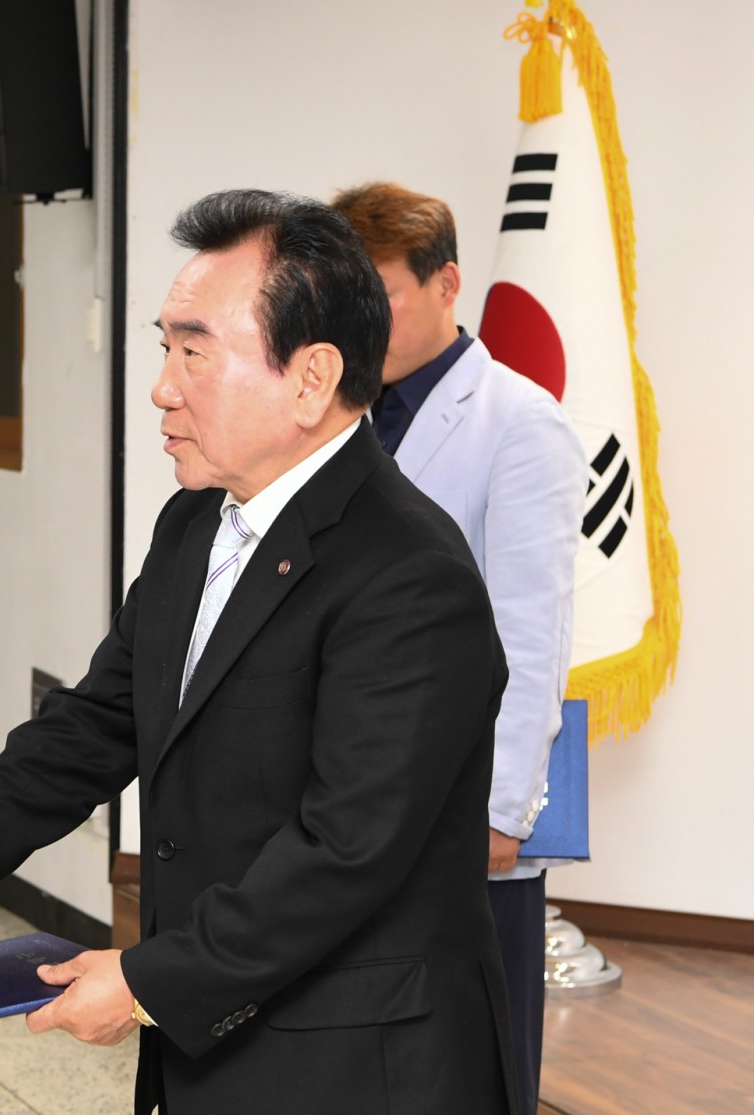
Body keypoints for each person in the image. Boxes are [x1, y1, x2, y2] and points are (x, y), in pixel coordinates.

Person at [0, 189, 518, 1114]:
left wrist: (148, 980)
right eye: (164, 348)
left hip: (358, 1068)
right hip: (218, 1049)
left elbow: (345, 850)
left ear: (312, 378)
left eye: (195, 352)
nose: (163, 387)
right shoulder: (196, 520)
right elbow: (105, 716)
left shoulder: (411, 576)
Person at [332, 181, 585, 1115]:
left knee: (478, 1064)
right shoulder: (340, 416)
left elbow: (531, 630)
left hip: (467, 806)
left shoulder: (520, 423)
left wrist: (502, 807)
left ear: (447, 285)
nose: (361, 321)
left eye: (383, 296)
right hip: (354, 802)